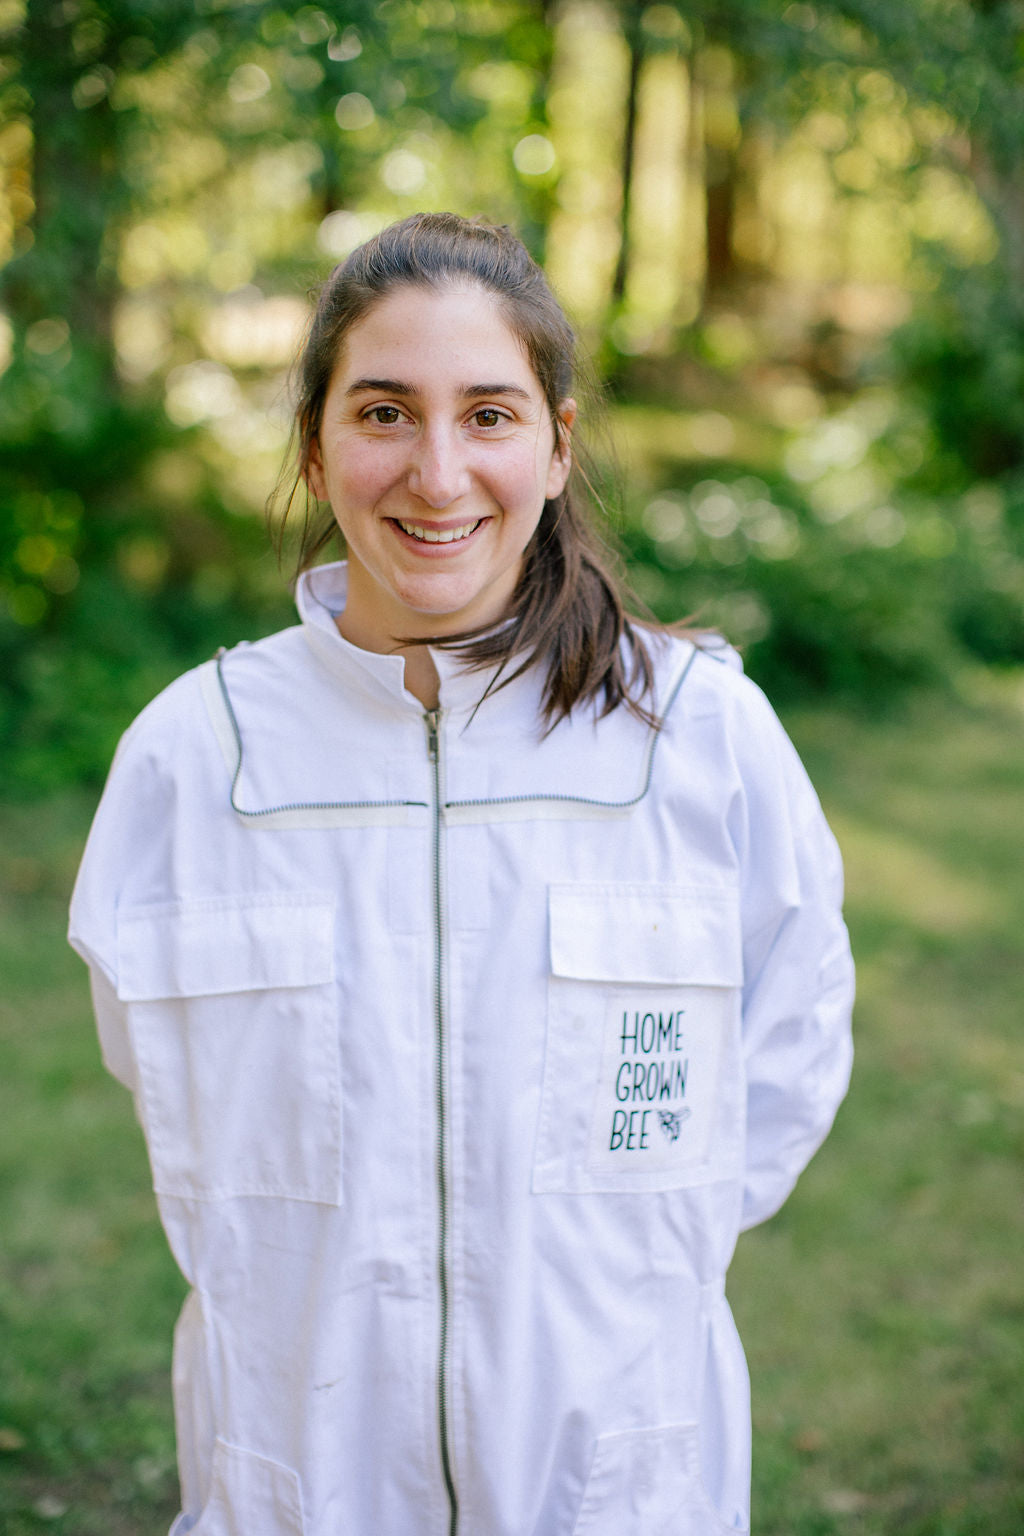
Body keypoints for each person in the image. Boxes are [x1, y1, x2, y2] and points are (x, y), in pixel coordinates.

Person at [69, 211, 854, 1536]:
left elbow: (786, 1055)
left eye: (488, 414)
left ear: (556, 447)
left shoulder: (701, 741)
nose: (437, 475)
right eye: (384, 412)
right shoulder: (195, 757)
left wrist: (622, 1277)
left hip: (617, 1474)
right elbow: (155, 1070)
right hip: (297, 1473)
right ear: (315, 449)